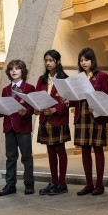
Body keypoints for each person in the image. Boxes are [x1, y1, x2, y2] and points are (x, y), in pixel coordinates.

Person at [72, 48, 108, 196]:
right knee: (85, 150)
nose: (84, 63)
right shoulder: (79, 77)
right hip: (82, 115)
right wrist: (67, 98)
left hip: (96, 116)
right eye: (81, 60)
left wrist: (96, 104)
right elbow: (75, 97)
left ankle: (99, 184)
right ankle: (88, 184)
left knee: (98, 149)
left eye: (86, 60)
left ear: (92, 60)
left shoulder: (101, 76)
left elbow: (107, 95)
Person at [0, 59, 36, 195]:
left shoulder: (29, 88)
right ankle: (10, 185)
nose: (14, 71)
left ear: (22, 71)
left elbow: (33, 107)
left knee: (26, 157)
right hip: (9, 127)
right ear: (8, 72)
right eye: (11, 69)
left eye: (17, 68)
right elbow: (5, 108)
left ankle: (29, 184)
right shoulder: (5, 89)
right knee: (10, 157)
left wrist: (26, 111)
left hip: (23, 127)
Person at [36, 50, 72, 195]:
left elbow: (67, 100)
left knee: (60, 151)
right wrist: (36, 108)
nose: (48, 63)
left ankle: (62, 183)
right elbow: (37, 97)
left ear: (57, 61)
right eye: (46, 60)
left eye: (51, 60)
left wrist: (55, 110)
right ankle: (54, 181)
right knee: (50, 152)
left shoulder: (65, 79)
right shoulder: (42, 79)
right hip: (45, 119)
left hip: (58, 119)